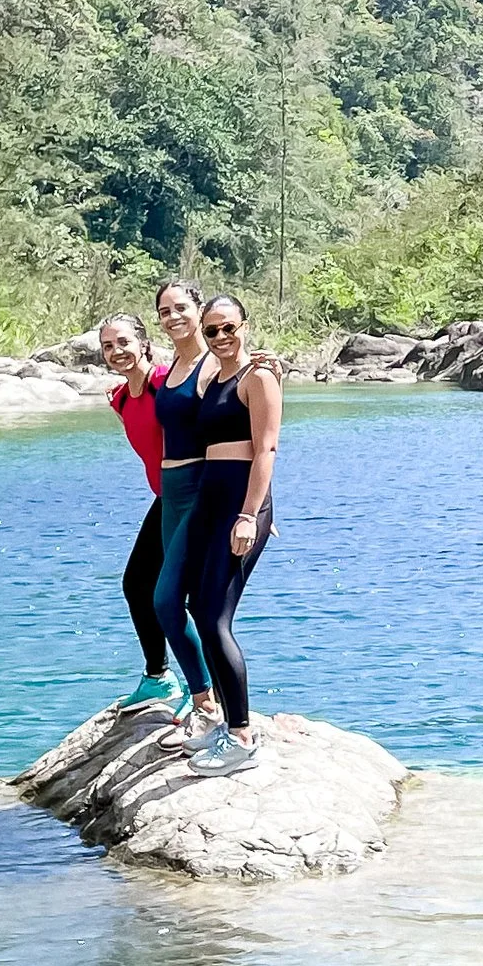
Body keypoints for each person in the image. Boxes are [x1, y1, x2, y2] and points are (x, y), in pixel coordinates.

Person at [179, 294, 282, 767]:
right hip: (209, 502)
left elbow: (266, 451)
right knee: (198, 608)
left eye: (229, 328)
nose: (222, 337)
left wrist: (250, 514)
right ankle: (226, 721)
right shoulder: (214, 378)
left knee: (217, 618)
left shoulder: (258, 377)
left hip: (239, 506)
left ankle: (241, 738)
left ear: (245, 325)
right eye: (212, 330)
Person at [144, 278, 225, 737]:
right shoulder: (171, 366)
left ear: (199, 309)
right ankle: (212, 700)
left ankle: (207, 703)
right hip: (169, 492)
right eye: (164, 311)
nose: (172, 317)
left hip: (199, 486)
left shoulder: (214, 365)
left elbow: (245, 409)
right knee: (182, 601)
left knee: (167, 600)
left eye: (181, 308)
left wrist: (252, 503)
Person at [98, 312, 185, 719]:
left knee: (177, 596)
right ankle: (158, 677)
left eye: (124, 343)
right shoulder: (120, 398)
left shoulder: (165, 382)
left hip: (191, 498)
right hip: (165, 499)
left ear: (145, 344)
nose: (117, 352)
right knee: (137, 585)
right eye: (108, 346)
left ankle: (204, 691)